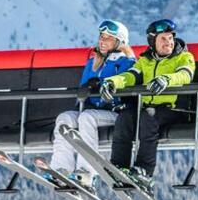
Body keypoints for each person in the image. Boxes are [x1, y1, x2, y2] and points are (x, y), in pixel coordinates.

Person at [98, 17, 195, 192]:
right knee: (125, 117)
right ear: (153, 42)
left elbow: (185, 75)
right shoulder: (145, 60)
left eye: (170, 38)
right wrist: (112, 82)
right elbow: (130, 76)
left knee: (148, 117)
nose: (168, 42)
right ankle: (119, 166)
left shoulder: (184, 57)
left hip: (174, 109)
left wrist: (166, 79)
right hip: (148, 109)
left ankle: (145, 171)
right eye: (163, 39)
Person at [44, 18, 135, 187]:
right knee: (65, 118)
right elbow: (83, 89)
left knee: (87, 117)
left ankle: (86, 173)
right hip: (92, 109)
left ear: (119, 41)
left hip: (116, 113)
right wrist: (87, 87)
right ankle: (61, 169)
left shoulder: (127, 62)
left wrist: (102, 85)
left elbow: (125, 84)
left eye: (108, 38)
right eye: (101, 36)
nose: (102, 41)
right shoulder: (93, 63)